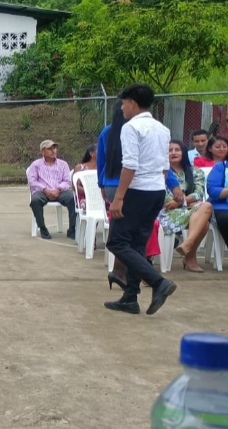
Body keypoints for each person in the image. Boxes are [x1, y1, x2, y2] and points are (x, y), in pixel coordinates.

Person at [105, 83, 178, 316]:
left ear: (133, 103)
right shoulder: (162, 129)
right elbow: (165, 167)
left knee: (117, 242)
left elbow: (130, 165)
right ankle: (130, 298)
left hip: (137, 191)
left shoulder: (131, 127)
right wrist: (157, 187)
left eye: (123, 103)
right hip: (156, 190)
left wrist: (119, 198)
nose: (122, 108)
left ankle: (158, 282)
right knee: (137, 244)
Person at [160, 140, 214, 273]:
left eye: (177, 150)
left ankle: (188, 244)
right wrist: (186, 202)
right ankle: (190, 255)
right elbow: (164, 198)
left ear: (184, 152)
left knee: (206, 206)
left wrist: (181, 202)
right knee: (205, 222)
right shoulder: (161, 172)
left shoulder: (196, 172)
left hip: (189, 211)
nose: (173, 153)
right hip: (167, 213)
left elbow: (199, 193)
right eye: (169, 150)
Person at [27, 140, 77, 240]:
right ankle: (42, 228)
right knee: (35, 200)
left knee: (73, 198)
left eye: (54, 148)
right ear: (42, 151)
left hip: (60, 191)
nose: (53, 151)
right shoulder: (36, 165)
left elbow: (67, 181)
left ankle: (72, 229)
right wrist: (45, 189)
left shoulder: (63, 164)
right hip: (42, 192)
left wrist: (58, 189)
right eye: (50, 149)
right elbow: (32, 181)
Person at [72, 144, 97, 210]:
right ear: (91, 154)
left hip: (101, 196)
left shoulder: (103, 168)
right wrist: (90, 192)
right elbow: (75, 186)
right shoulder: (80, 167)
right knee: (85, 204)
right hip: (84, 197)